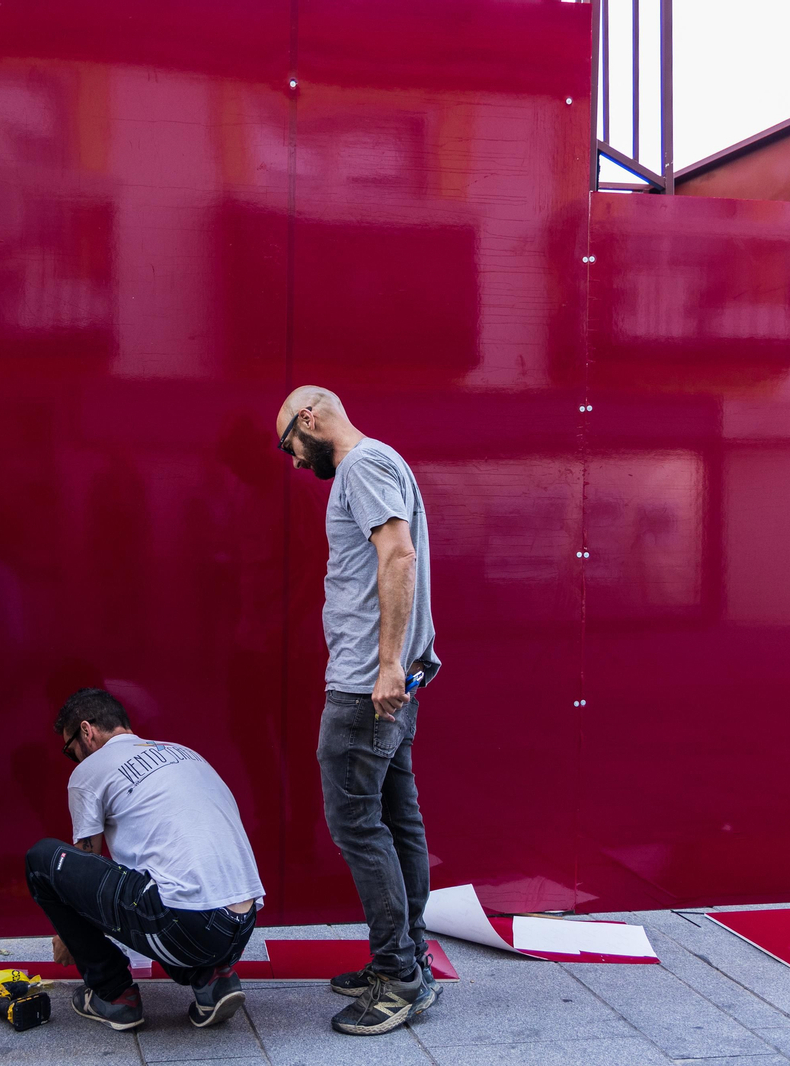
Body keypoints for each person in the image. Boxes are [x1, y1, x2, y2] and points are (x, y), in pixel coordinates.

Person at [274, 385, 442, 1036]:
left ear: (309, 420)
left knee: (357, 826)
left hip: (365, 687)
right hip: (386, 684)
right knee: (397, 821)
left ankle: (397, 978)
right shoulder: (383, 460)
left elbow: (398, 554)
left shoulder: (362, 466)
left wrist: (388, 665)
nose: (293, 461)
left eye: (290, 444)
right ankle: (410, 964)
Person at [25, 688, 265, 1032]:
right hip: (241, 925)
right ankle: (211, 978)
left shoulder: (90, 769)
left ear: (87, 731)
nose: (74, 758)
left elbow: (83, 860)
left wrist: (69, 937)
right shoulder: (184, 752)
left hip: (187, 924)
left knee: (42, 860)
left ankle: (114, 993)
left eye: (70, 749)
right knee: (157, 885)